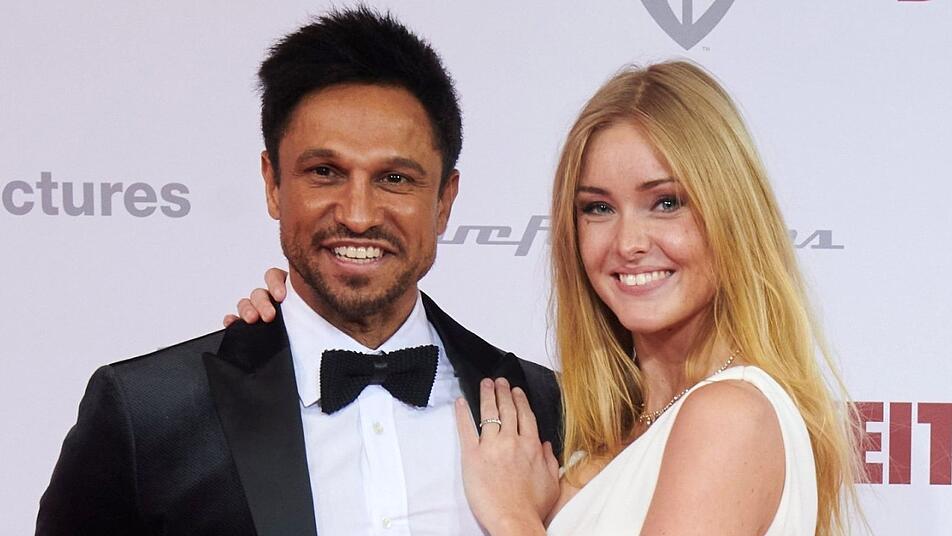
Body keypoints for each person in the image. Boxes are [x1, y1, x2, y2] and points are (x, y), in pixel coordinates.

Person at [238, 62, 860, 535]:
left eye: (666, 202)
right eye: (598, 209)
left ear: (733, 214)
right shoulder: (589, 426)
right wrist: (290, 337)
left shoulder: (731, 414)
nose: (629, 243)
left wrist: (513, 518)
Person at [36, 8, 561, 536]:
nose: (358, 215)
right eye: (324, 172)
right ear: (273, 184)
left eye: (395, 178)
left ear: (444, 200)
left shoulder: (550, 407)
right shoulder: (149, 413)